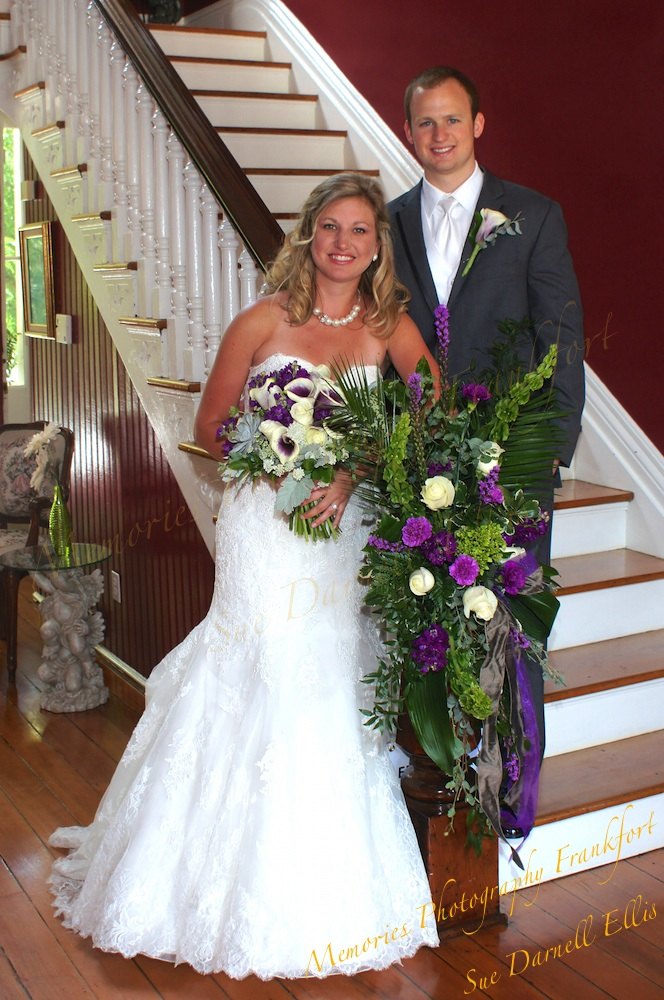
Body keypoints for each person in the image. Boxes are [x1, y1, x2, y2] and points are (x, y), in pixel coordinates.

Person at [47, 173, 440, 980]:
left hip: (342, 528)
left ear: (377, 248)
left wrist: (353, 470)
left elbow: (432, 406)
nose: (343, 244)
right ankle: (196, 877)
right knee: (254, 660)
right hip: (266, 523)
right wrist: (279, 459)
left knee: (327, 672)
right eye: (330, 227)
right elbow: (211, 424)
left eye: (359, 231)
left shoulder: (389, 326)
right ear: (309, 235)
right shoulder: (262, 320)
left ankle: (326, 885)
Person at [388, 66, 586, 763]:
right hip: (421, 454)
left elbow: (560, 332)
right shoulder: (387, 223)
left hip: (516, 453)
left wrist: (555, 440)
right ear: (408, 132)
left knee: (515, 625)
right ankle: (441, 776)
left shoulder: (534, 215)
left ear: (477, 124)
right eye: (425, 121)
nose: (439, 133)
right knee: (428, 620)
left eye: (452, 119)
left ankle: (515, 789)